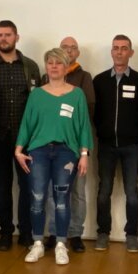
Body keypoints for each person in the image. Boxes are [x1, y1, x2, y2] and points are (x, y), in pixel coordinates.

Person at [15, 48, 93, 265]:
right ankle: (38, 243)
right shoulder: (36, 95)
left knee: (61, 200)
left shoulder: (77, 94)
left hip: (66, 153)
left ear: (66, 67)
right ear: (46, 66)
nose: (54, 66)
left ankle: (60, 244)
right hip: (38, 152)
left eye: (58, 63)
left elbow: (83, 127)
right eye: (50, 62)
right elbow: (27, 124)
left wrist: (84, 154)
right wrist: (18, 150)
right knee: (38, 198)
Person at [0, 20, 42, 251]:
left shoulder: (31, 66)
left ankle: (26, 232)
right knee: (2, 187)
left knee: (28, 186)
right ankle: (5, 233)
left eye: (8, 34)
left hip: (26, 139)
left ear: (17, 37)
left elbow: (38, 102)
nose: (3, 39)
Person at [92, 35, 138, 252]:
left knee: (132, 193)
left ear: (130, 53)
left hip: (131, 147)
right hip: (106, 146)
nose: (119, 52)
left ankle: (132, 235)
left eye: (124, 48)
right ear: (111, 52)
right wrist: (102, 131)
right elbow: (95, 113)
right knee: (103, 191)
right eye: (116, 48)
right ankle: (103, 233)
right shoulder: (99, 80)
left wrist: (134, 134)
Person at [41, 36, 95, 253]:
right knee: (53, 191)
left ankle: (75, 233)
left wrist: (82, 147)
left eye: (73, 48)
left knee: (77, 192)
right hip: (50, 146)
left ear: (77, 52)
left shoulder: (84, 77)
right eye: (65, 47)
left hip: (76, 144)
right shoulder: (46, 77)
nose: (69, 51)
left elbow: (88, 111)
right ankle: (55, 232)